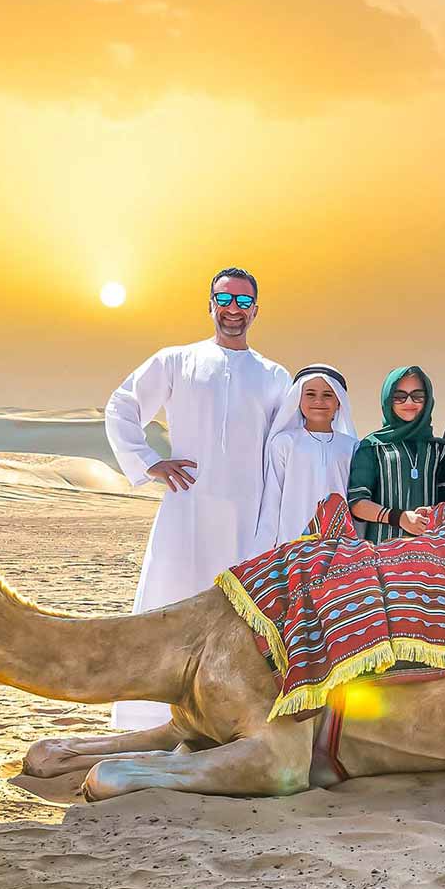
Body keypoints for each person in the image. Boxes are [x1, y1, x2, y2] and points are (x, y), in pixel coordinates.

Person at [104, 267, 289, 728]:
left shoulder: (274, 376)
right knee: (170, 605)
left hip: (249, 516)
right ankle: (146, 723)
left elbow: (289, 445)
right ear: (210, 305)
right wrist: (148, 461)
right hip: (187, 511)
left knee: (240, 620)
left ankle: (228, 721)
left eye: (244, 302)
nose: (233, 310)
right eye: (224, 299)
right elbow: (122, 405)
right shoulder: (175, 360)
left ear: (256, 311)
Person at [251, 364, 358, 553]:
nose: (319, 401)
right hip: (292, 546)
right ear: (297, 400)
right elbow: (272, 501)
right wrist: (263, 550)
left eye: (327, 395)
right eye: (310, 394)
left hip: (339, 547)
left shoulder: (352, 447)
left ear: (339, 402)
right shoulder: (284, 443)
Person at [347, 366, 445, 543]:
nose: (409, 403)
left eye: (417, 396)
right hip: (382, 552)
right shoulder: (372, 447)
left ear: (428, 400)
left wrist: (431, 512)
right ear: (388, 399)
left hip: (432, 555)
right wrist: (400, 518)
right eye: (399, 397)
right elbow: (357, 503)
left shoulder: (441, 450)